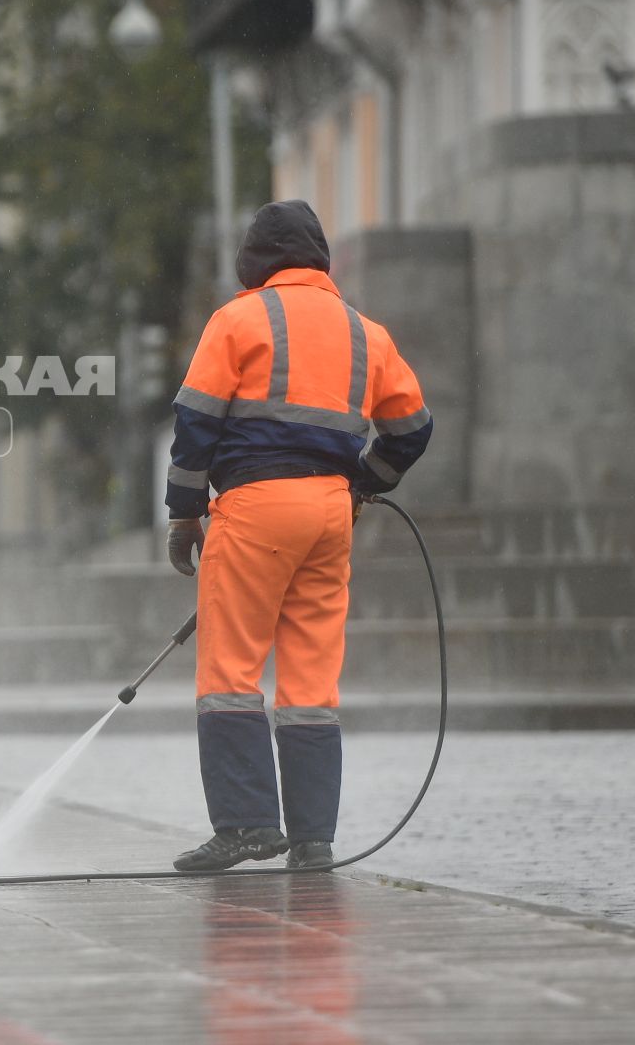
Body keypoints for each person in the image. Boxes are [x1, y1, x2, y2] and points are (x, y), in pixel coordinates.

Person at [164, 201, 432, 873]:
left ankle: (248, 824)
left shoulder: (237, 319)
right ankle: (314, 839)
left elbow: (196, 425)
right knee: (311, 678)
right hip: (330, 513)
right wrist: (365, 483)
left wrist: (184, 512)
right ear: (319, 260)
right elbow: (413, 428)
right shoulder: (366, 332)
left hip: (255, 507)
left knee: (230, 672)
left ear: (254, 261)